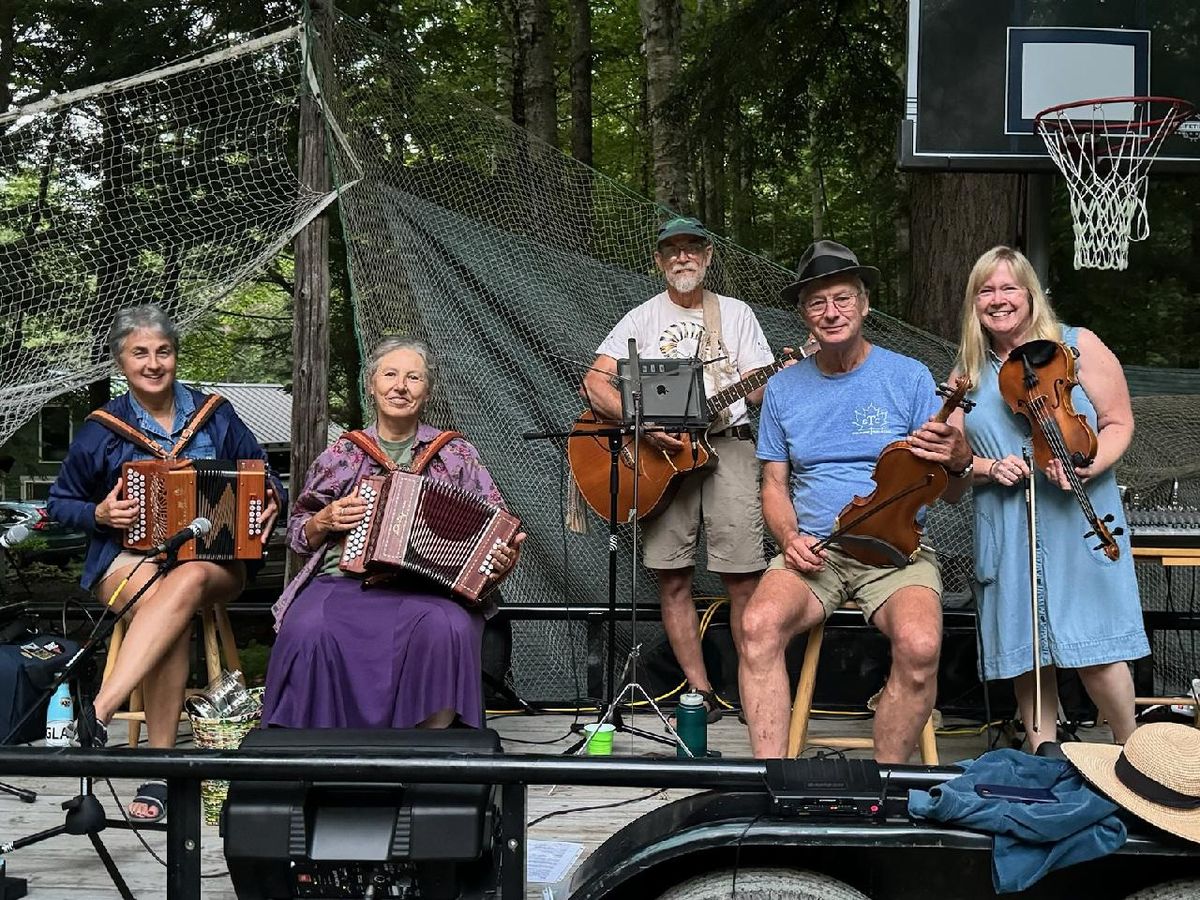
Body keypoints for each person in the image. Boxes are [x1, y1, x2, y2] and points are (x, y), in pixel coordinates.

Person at [739, 240, 973, 761]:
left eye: (842, 298)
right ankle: (770, 784)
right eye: (817, 303)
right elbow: (774, 485)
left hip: (897, 550)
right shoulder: (782, 389)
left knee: (920, 645)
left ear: (864, 304)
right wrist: (789, 538)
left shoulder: (909, 377)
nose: (831, 312)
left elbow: (953, 492)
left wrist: (958, 458)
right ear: (804, 315)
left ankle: (885, 789)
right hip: (817, 550)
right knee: (757, 627)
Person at [48, 303, 283, 821]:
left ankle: (99, 711)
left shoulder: (214, 413)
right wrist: (101, 512)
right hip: (127, 558)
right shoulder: (101, 427)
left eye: (163, 351)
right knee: (165, 601)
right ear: (120, 362)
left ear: (175, 357)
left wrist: (271, 500)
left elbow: (265, 476)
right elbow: (59, 503)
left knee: (188, 575)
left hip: (214, 561)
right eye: (140, 354)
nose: (153, 363)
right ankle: (161, 765)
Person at [262, 337, 525, 730]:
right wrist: (325, 520)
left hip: (428, 590)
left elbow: (498, 528)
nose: (400, 386)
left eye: (413, 377)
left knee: (447, 627)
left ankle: (425, 757)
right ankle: (317, 755)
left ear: (427, 391)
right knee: (308, 627)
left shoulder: (457, 455)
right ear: (372, 385)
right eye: (390, 374)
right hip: (343, 582)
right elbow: (299, 531)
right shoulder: (342, 454)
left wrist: (502, 558)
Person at [949, 245, 1148, 752]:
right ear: (973, 304)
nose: (998, 300)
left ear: (1030, 294)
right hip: (1008, 524)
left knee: (1096, 646)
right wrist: (987, 468)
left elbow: (1119, 424)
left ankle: (1134, 753)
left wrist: (1089, 465)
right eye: (985, 290)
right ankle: (1044, 761)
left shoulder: (1077, 346)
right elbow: (951, 477)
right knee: (1029, 656)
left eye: (1008, 287)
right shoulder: (966, 378)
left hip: (1077, 515)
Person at [580, 216, 776, 722]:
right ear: (659, 261)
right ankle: (701, 693)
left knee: (743, 579)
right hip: (661, 458)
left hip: (727, 445)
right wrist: (639, 424)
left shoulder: (735, 314)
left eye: (693, 249)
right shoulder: (640, 318)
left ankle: (756, 693)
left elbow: (757, 389)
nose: (683, 257)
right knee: (672, 577)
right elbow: (594, 384)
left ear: (708, 258)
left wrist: (763, 378)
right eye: (672, 251)